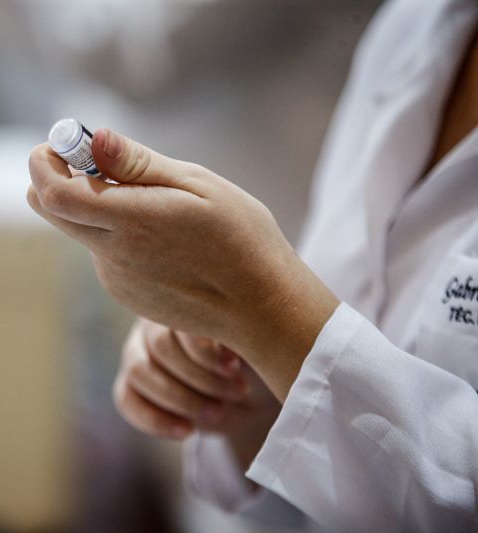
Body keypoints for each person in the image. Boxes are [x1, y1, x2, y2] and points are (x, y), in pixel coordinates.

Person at [27, 0, 478, 531]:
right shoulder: (414, 27)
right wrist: (251, 386)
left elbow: (140, 52)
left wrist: (262, 307)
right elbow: (332, 463)